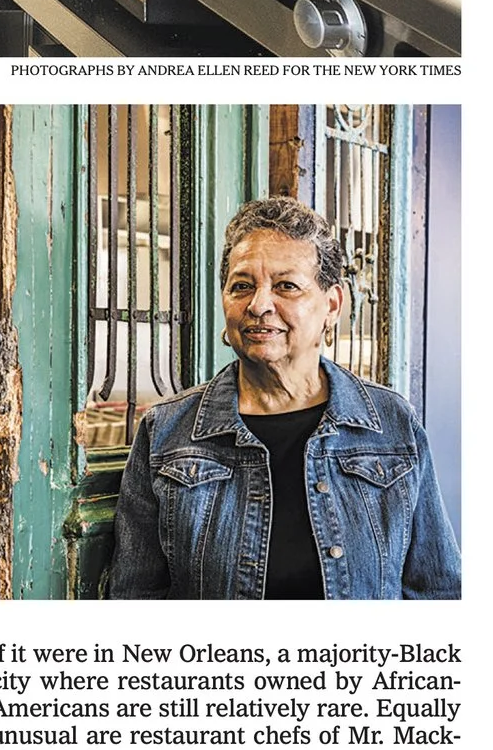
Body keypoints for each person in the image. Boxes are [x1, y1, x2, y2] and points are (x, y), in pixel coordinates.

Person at [110, 197, 460, 602]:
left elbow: (437, 593)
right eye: (242, 286)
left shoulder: (391, 423)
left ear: (332, 304)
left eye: (286, 286)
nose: (258, 305)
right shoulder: (167, 432)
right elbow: (135, 601)